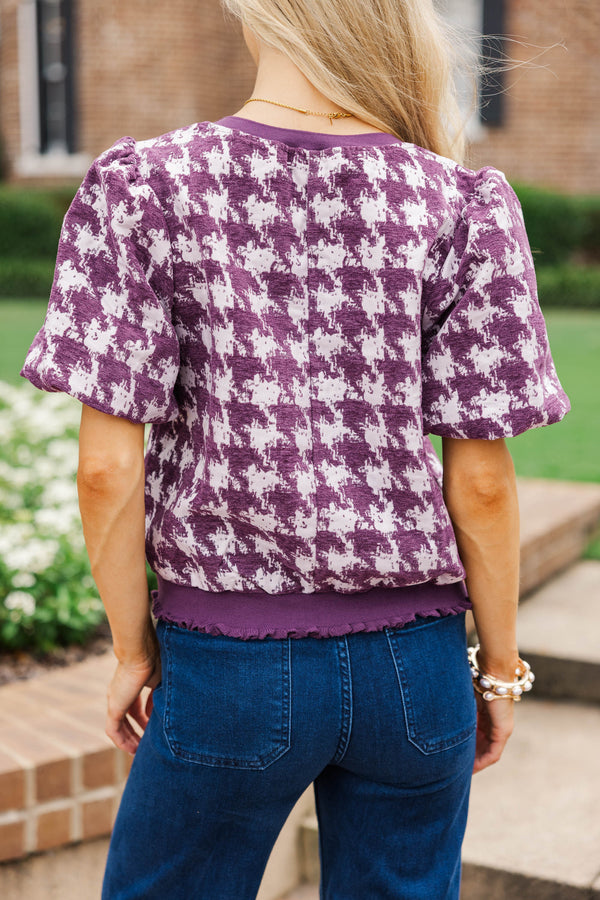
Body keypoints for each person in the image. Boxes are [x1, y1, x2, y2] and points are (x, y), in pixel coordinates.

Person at [21, 1, 570, 897]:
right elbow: (481, 483)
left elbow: (106, 467)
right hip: (416, 671)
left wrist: (131, 648)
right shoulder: (463, 202)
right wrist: (500, 672)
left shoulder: (145, 186)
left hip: (228, 666)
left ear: (256, 18)